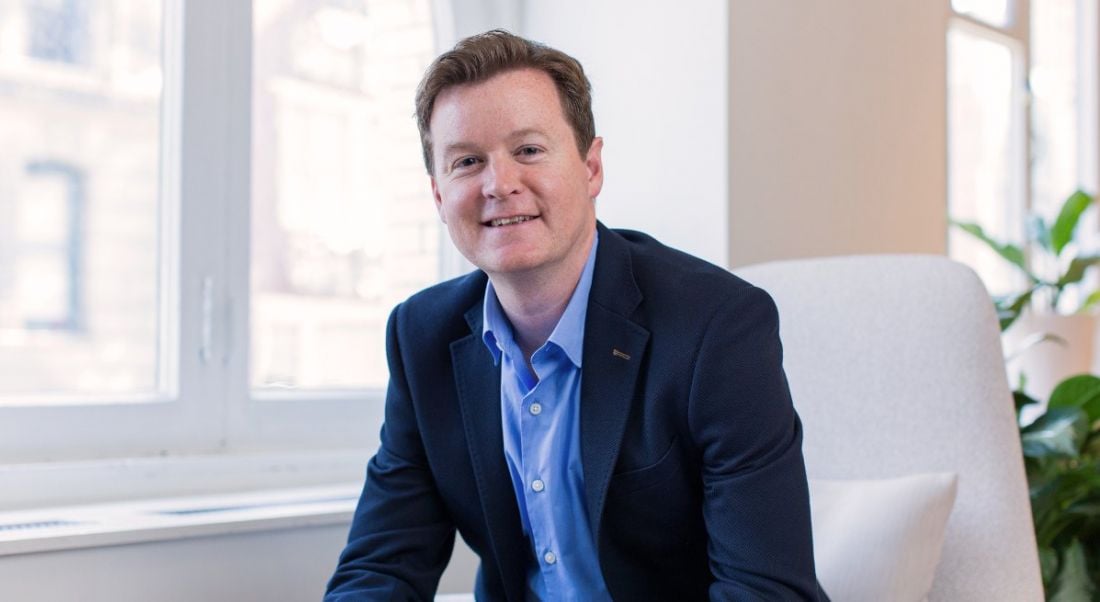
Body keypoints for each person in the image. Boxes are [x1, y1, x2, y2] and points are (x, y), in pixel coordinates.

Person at [325, 29, 826, 601]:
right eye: (467, 161)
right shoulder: (421, 338)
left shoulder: (718, 327)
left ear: (591, 169)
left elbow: (767, 591)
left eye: (529, 150)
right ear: (439, 197)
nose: (500, 184)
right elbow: (382, 567)